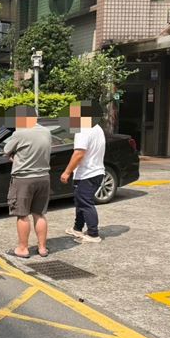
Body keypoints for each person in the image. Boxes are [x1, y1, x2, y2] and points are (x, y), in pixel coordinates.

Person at [3, 106, 52, 259]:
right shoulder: (46, 131)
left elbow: (6, 151)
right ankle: (42, 248)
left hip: (24, 179)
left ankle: (23, 249)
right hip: (44, 177)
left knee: (22, 215)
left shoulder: (20, 133)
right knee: (40, 214)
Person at [61, 103, 106, 244]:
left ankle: (93, 234)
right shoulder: (97, 128)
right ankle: (77, 228)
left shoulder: (83, 130)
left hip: (88, 173)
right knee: (80, 201)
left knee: (86, 203)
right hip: (95, 171)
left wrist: (67, 172)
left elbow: (79, 153)